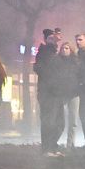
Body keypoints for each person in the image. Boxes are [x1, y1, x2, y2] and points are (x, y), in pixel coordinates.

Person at [34, 28, 64, 156]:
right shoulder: (44, 52)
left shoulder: (54, 53)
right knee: (49, 122)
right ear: (46, 40)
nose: (54, 40)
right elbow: (41, 69)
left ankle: (52, 147)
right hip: (48, 94)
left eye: (54, 38)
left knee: (60, 123)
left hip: (57, 93)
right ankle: (47, 148)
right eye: (50, 38)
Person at [56, 43, 81, 150]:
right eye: (63, 48)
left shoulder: (76, 62)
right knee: (58, 119)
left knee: (73, 121)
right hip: (61, 94)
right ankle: (53, 143)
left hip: (74, 94)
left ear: (71, 50)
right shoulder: (57, 62)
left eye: (67, 48)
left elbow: (81, 76)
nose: (64, 50)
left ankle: (70, 145)